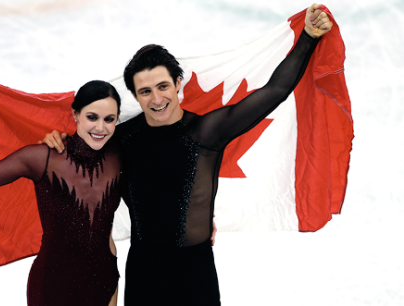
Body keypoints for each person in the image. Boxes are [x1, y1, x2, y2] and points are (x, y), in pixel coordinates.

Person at [42, 4, 333, 305]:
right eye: (145, 92)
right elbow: (79, 149)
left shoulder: (207, 132)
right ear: (133, 95)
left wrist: (309, 36)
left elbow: (275, 90)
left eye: (163, 86)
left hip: (196, 273)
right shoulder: (121, 137)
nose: (156, 99)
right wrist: (58, 139)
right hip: (144, 272)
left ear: (178, 83)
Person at [0, 80, 123, 306]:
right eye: (92, 117)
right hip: (53, 285)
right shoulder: (43, 157)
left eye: (109, 119)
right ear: (76, 114)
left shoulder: (119, 156)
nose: (100, 127)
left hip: (104, 281)